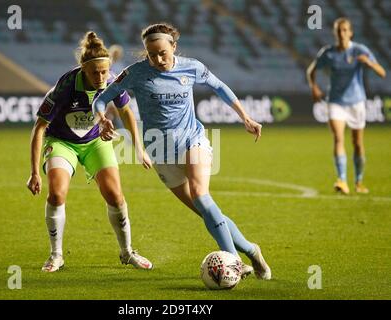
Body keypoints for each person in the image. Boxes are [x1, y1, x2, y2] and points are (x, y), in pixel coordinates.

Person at [93, 23, 271, 280]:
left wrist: (245, 117)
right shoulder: (135, 73)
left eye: (163, 52)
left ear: (174, 47)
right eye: (151, 54)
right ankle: (251, 250)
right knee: (207, 211)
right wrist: (101, 118)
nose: (158, 59)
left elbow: (219, 86)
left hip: (192, 140)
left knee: (201, 195)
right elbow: (101, 98)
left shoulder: (192, 67)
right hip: (160, 151)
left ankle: (233, 261)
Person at [26, 31, 153, 272]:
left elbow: (126, 112)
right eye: (95, 72)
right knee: (57, 194)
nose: (101, 77)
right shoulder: (65, 86)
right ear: (84, 70)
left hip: (95, 142)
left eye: (104, 71)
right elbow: (39, 127)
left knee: (115, 196)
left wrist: (139, 148)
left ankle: (127, 252)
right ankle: (56, 255)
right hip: (63, 142)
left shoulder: (113, 81)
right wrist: (34, 172)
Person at [307, 18, 386, 194]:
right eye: (338, 31)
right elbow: (311, 70)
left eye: (344, 30)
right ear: (335, 33)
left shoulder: (360, 50)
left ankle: (358, 181)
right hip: (335, 102)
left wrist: (369, 63)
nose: (341, 34)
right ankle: (342, 180)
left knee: (357, 143)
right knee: (338, 138)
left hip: (357, 102)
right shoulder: (328, 53)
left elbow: (382, 73)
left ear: (350, 32)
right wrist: (314, 88)